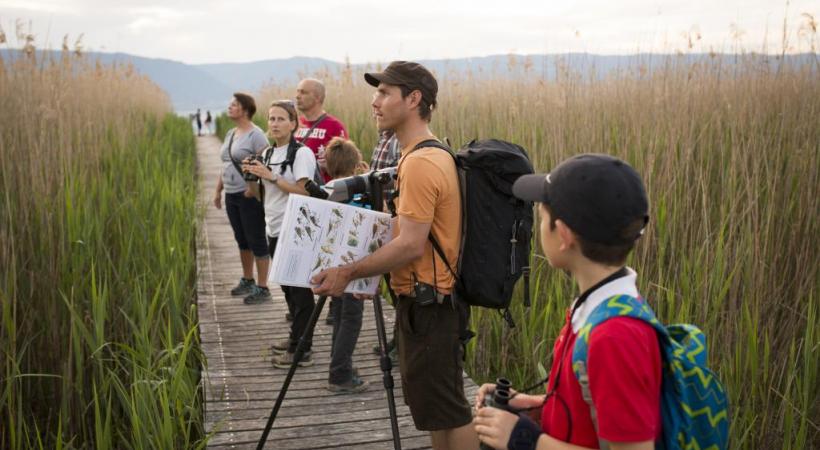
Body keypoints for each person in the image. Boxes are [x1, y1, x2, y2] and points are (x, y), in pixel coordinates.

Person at [311, 61, 478, 450]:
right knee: (437, 409)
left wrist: (348, 272)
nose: (375, 101)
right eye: (377, 92)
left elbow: (410, 245)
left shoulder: (420, 161)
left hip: (432, 307)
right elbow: (406, 234)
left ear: (414, 98)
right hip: (426, 303)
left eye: (385, 93)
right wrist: (371, 275)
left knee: (451, 410)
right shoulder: (421, 154)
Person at [472, 154, 660, 450]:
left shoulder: (614, 337)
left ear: (563, 235)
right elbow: (591, 407)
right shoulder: (595, 308)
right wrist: (534, 406)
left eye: (543, 217)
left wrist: (525, 439)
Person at [243, 99, 319, 367]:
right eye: (271, 119)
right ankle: (295, 338)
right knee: (287, 288)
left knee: (300, 292)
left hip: (296, 229)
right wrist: (251, 176)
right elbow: (256, 194)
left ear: (293, 124)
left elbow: (305, 191)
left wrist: (272, 176)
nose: (274, 124)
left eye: (280, 119)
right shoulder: (267, 154)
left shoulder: (302, 154)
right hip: (274, 227)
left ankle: (303, 349)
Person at [294, 77, 348, 324]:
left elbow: (344, 163)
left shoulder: (334, 126)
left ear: (317, 97)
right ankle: (302, 306)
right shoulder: (297, 125)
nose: (297, 96)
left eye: (303, 92)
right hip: (302, 201)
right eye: (297, 92)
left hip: (326, 197)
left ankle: (335, 307)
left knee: (330, 253)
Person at [320, 137, 370, 393]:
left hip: (332, 266)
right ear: (355, 166)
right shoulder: (359, 192)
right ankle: (339, 374)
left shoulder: (326, 189)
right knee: (351, 319)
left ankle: (340, 364)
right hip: (353, 268)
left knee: (339, 315)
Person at [213, 93, 272, 304]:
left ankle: (263, 287)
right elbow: (226, 164)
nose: (230, 107)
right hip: (231, 194)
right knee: (242, 240)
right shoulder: (231, 133)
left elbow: (266, 164)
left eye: (234, 105)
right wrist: (218, 191)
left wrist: (253, 188)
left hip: (248, 196)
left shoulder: (256, 135)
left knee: (256, 239)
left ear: (245, 109)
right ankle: (248, 279)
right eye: (230, 104)